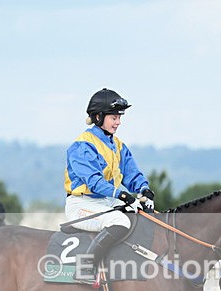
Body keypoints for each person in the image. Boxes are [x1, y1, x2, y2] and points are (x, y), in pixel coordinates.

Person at [64, 88, 155, 273]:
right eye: (114, 117)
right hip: (82, 205)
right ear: (98, 117)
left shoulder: (117, 144)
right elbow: (94, 182)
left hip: (106, 202)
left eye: (119, 117)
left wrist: (144, 189)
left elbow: (131, 173)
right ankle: (85, 268)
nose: (118, 122)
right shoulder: (82, 146)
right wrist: (122, 195)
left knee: (142, 218)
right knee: (120, 222)